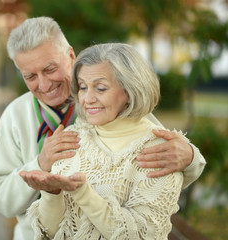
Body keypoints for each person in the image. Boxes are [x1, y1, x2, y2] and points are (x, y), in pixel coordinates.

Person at [0, 17, 206, 240]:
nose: (44, 85)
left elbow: (154, 146)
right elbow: (1, 199)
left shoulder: (116, 104)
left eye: (50, 69)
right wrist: (41, 165)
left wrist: (189, 157)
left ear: (70, 56)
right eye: (30, 76)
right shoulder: (15, 115)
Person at [20, 43, 189, 239]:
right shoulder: (71, 138)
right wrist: (52, 193)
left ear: (129, 90)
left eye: (100, 88)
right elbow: (50, 232)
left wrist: (83, 193)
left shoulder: (160, 149)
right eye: (83, 87)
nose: (87, 98)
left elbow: (143, 235)